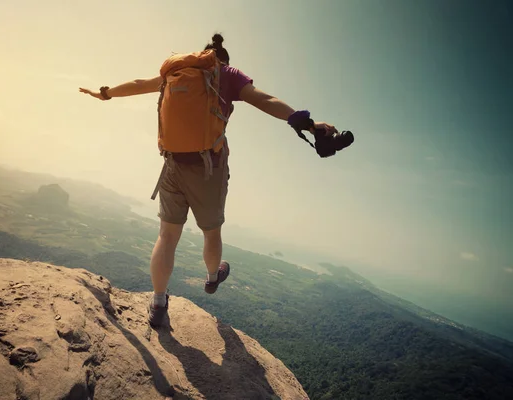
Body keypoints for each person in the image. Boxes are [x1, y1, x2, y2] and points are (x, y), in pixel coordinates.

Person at [79, 34, 338, 328]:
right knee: (211, 232)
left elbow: (139, 84)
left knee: (167, 236)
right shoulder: (226, 74)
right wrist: (309, 124)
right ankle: (213, 277)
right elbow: (264, 99)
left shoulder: (175, 72)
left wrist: (105, 93)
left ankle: (159, 302)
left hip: (172, 163)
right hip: (208, 168)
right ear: (223, 59)